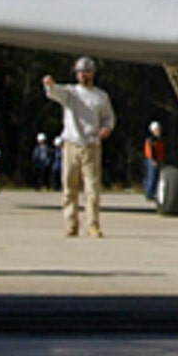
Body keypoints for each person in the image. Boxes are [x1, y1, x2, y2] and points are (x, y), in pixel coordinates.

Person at [43, 56, 114, 238]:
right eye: (80, 72)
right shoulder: (71, 93)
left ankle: (93, 225)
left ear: (93, 73)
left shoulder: (100, 96)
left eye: (86, 71)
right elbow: (55, 92)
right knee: (69, 186)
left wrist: (106, 128)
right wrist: (50, 84)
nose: (83, 75)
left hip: (92, 145)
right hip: (71, 144)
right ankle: (71, 224)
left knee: (92, 188)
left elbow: (108, 117)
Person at [143, 121, 166, 202]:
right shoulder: (150, 140)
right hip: (152, 160)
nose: (158, 131)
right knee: (151, 177)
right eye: (156, 130)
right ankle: (149, 194)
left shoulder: (160, 140)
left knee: (155, 177)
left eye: (159, 129)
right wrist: (153, 160)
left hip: (158, 160)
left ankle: (152, 192)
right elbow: (149, 151)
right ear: (152, 130)